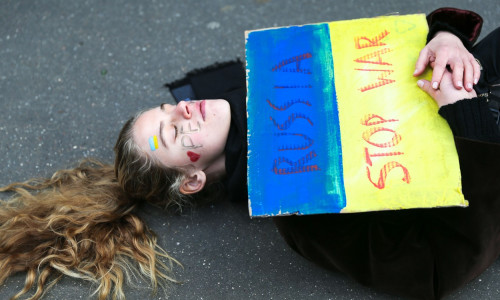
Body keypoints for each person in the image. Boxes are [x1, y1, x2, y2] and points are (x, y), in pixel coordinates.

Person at [0, 7, 497, 300]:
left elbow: (386, 53)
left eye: (166, 110)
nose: (183, 111)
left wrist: (444, 37)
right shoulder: (302, 209)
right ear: (192, 179)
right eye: (171, 135)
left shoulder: (285, 71)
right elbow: (436, 267)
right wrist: (469, 126)